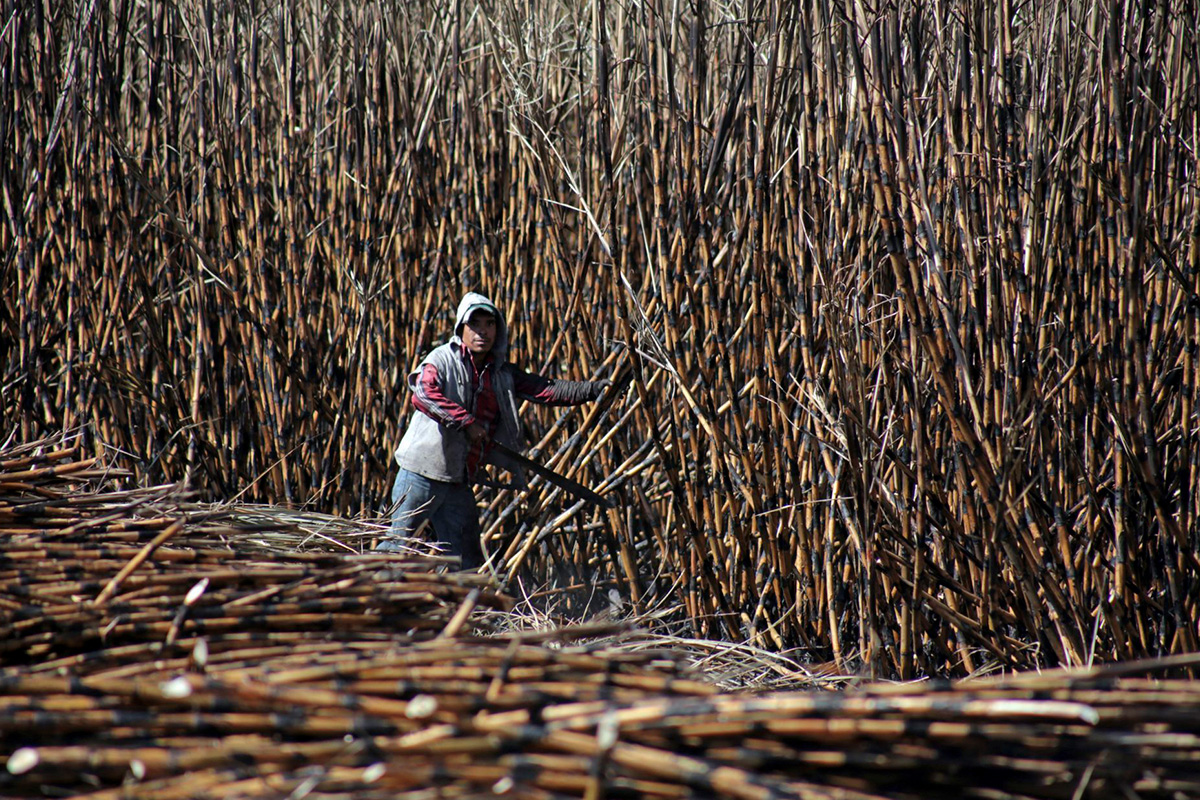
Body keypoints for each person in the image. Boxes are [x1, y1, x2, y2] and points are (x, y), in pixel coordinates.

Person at [377, 291, 610, 568]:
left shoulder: (499, 373)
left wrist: (592, 390)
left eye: (489, 324)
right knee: (396, 546)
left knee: (464, 558)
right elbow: (423, 393)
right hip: (420, 473)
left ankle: (458, 610)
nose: (483, 332)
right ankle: (370, 600)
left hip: (457, 478)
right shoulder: (441, 360)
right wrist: (465, 421)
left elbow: (544, 389)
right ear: (461, 328)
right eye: (475, 324)